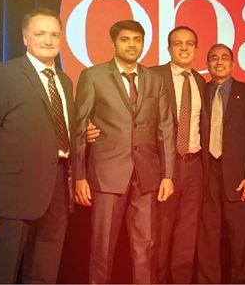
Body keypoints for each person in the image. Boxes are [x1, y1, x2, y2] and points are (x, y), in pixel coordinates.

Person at [0, 7, 75, 283]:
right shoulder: (2, 74)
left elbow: (58, 131)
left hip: (57, 188)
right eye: (40, 34)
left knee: (44, 270)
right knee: (2, 271)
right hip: (14, 191)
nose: (48, 40)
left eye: (54, 34)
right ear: (25, 38)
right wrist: (2, 174)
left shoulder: (64, 80)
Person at [73, 20, 175, 283]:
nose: (132, 45)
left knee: (146, 245)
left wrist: (168, 175)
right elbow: (80, 128)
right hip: (107, 174)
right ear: (114, 43)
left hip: (147, 174)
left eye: (137, 40)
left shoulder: (154, 79)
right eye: (125, 39)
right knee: (102, 248)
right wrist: (80, 177)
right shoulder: (93, 76)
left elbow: (165, 127)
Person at [196, 44, 245, 283]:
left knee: (243, 242)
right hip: (206, 177)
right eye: (213, 58)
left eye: (224, 57)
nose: (218, 62)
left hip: (241, 178)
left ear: (233, 64)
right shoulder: (199, 92)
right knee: (206, 242)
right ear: (207, 64)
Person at [152, 26, 208, 283]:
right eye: (178, 43)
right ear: (169, 48)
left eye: (189, 43)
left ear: (196, 48)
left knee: (187, 236)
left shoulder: (199, 81)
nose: (184, 48)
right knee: (160, 236)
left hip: (194, 166)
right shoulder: (153, 76)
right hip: (164, 167)